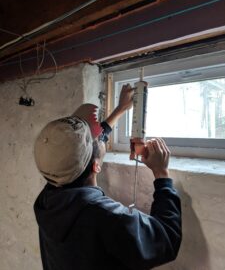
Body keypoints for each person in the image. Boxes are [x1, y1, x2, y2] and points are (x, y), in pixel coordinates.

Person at [33, 84, 182, 270]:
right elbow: (166, 239)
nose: (98, 137)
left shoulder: (48, 201)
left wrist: (119, 110)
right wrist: (162, 175)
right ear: (96, 166)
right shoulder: (106, 217)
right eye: (95, 139)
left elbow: (87, 149)